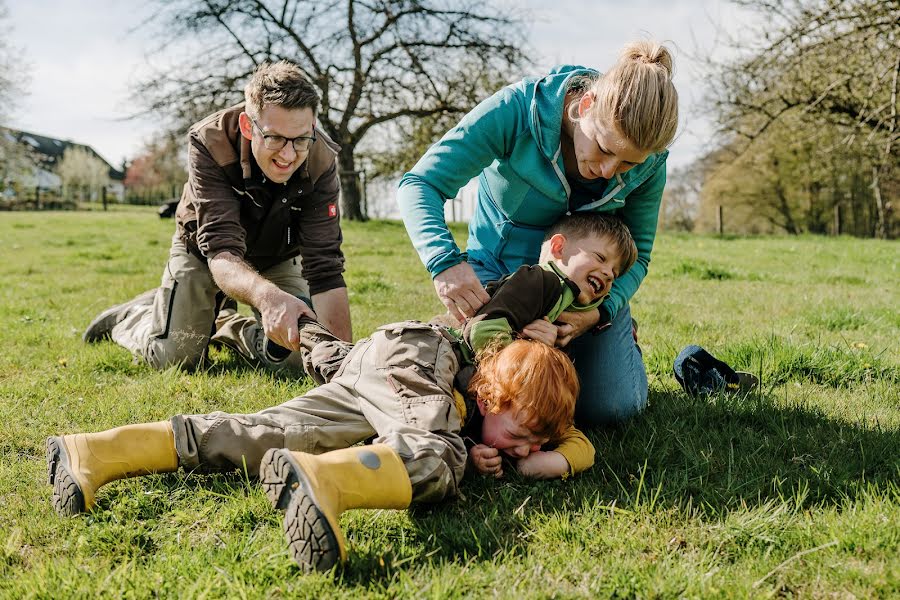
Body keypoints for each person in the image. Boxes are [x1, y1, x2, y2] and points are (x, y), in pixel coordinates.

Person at [47, 321, 584, 574]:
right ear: (489, 395)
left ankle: (95, 452)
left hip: (368, 368)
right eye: (519, 437)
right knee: (439, 454)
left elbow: (579, 446)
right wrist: (466, 448)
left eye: (536, 443)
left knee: (258, 433)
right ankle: (324, 480)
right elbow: (436, 423)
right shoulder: (448, 379)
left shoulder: (513, 408)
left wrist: (546, 455)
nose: (524, 450)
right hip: (411, 352)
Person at [397, 40, 679, 426]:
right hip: (497, 277)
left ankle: (615, 339)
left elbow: (639, 255)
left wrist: (597, 313)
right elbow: (420, 184)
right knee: (477, 396)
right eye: (603, 147)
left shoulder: (651, 166)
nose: (610, 170)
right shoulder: (515, 110)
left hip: (581, 300)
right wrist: (444, 263)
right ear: (584, 107)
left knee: (611, 409)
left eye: (629, 163)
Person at [82, 61, 351, 371]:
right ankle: (138, 316)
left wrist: (344, 367)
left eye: (301, 139)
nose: (288, 155)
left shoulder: (322, 159)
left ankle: (225, 322)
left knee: (299, 359)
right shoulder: (209, 140)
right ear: (249, 127)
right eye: (275, 138)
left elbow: (325, 270)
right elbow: (222, 251)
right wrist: (268, 298)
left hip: (277, 256)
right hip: (206, 252)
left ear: (313, 126)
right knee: (176, 359)